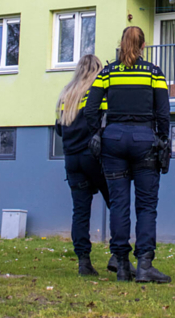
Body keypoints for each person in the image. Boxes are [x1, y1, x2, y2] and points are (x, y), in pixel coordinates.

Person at [84, 26, 172, 283]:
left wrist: (98, 133)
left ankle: (122, 264)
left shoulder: (107, 72)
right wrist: (163, 140)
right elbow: (164, 113)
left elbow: (91, 109)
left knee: (119, 205)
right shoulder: (154, 73)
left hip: (113, 140)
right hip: (144, 140)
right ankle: (144, 264)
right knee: (146, 206)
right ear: (143, 46)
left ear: (121, 43)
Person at [55, 54, 115, 277]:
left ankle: (83, 262)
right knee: (116, 203)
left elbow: (59, 129)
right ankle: (118, 255)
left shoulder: (66, 94)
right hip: (94, 156)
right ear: (98, 69)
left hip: (71, 160)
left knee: (80, 212)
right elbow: (105, 121)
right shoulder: (97, 92)